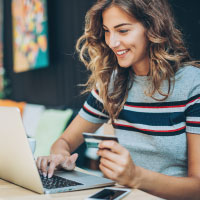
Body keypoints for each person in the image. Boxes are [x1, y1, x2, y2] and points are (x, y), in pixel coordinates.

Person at [37, 0, 200, 199]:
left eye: (122, 31)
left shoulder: (193, 84)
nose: (112, 42)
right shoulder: (112, 84)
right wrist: (60, 155)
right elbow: (64, 141)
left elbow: (197, 187)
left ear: (152, 28)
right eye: (107, 31)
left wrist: (136, 176)